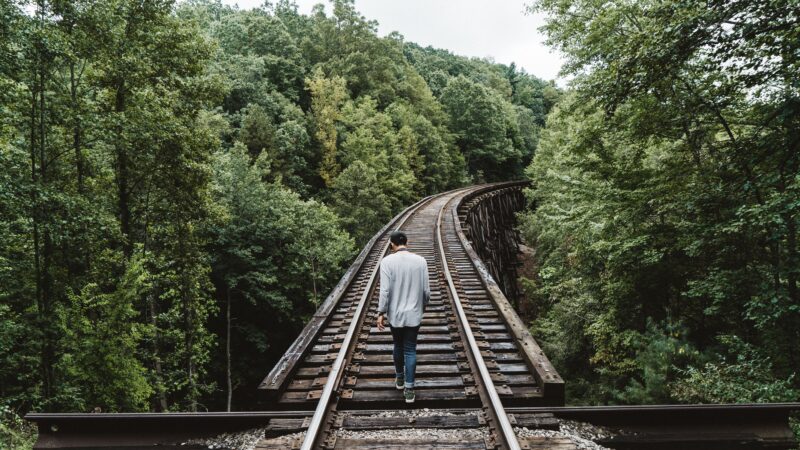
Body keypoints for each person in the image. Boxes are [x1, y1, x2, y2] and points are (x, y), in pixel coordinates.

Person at [376, 230, 431, 404]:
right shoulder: (421, 261)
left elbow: (384, 291)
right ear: (407, 242)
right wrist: (422, 306)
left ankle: (400, 379)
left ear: (392, 244)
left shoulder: (386, 262)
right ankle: (409, 389)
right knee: (410, 349)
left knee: (397, 345)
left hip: (395, 314)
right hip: (413, 313)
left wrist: (381, 313)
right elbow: (426, 291)